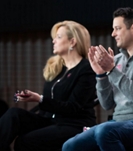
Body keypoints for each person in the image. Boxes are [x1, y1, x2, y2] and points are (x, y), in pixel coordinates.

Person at [62, 7, 133, 151]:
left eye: (117, 28)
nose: (113, 34)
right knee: (70, 146)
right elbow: (107, 104)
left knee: (105, 132)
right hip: (119, 121)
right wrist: (101, 74)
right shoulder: (117, 59)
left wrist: (111, 70)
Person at [0, 20, 97, 151]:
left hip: (73, 125)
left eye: (58, 37)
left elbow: (74, 107)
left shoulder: (86, 69)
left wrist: (39, 99)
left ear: (72, 42)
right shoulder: (57, 69)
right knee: (14, 114)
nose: (53, 41)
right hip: (50, 120)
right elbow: (48, 104)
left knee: (25, 141)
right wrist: (34, 102)